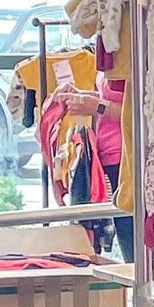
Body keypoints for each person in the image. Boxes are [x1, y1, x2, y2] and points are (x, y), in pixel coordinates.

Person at [58, 76, 132, 259]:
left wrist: (97, 106)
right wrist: (82, 98)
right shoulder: (110, 58)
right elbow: (115, 99)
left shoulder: (134, 58)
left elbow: (142, 113)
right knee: (127, 240)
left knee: (134, 246)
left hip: (129, 159)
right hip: (109, 157)